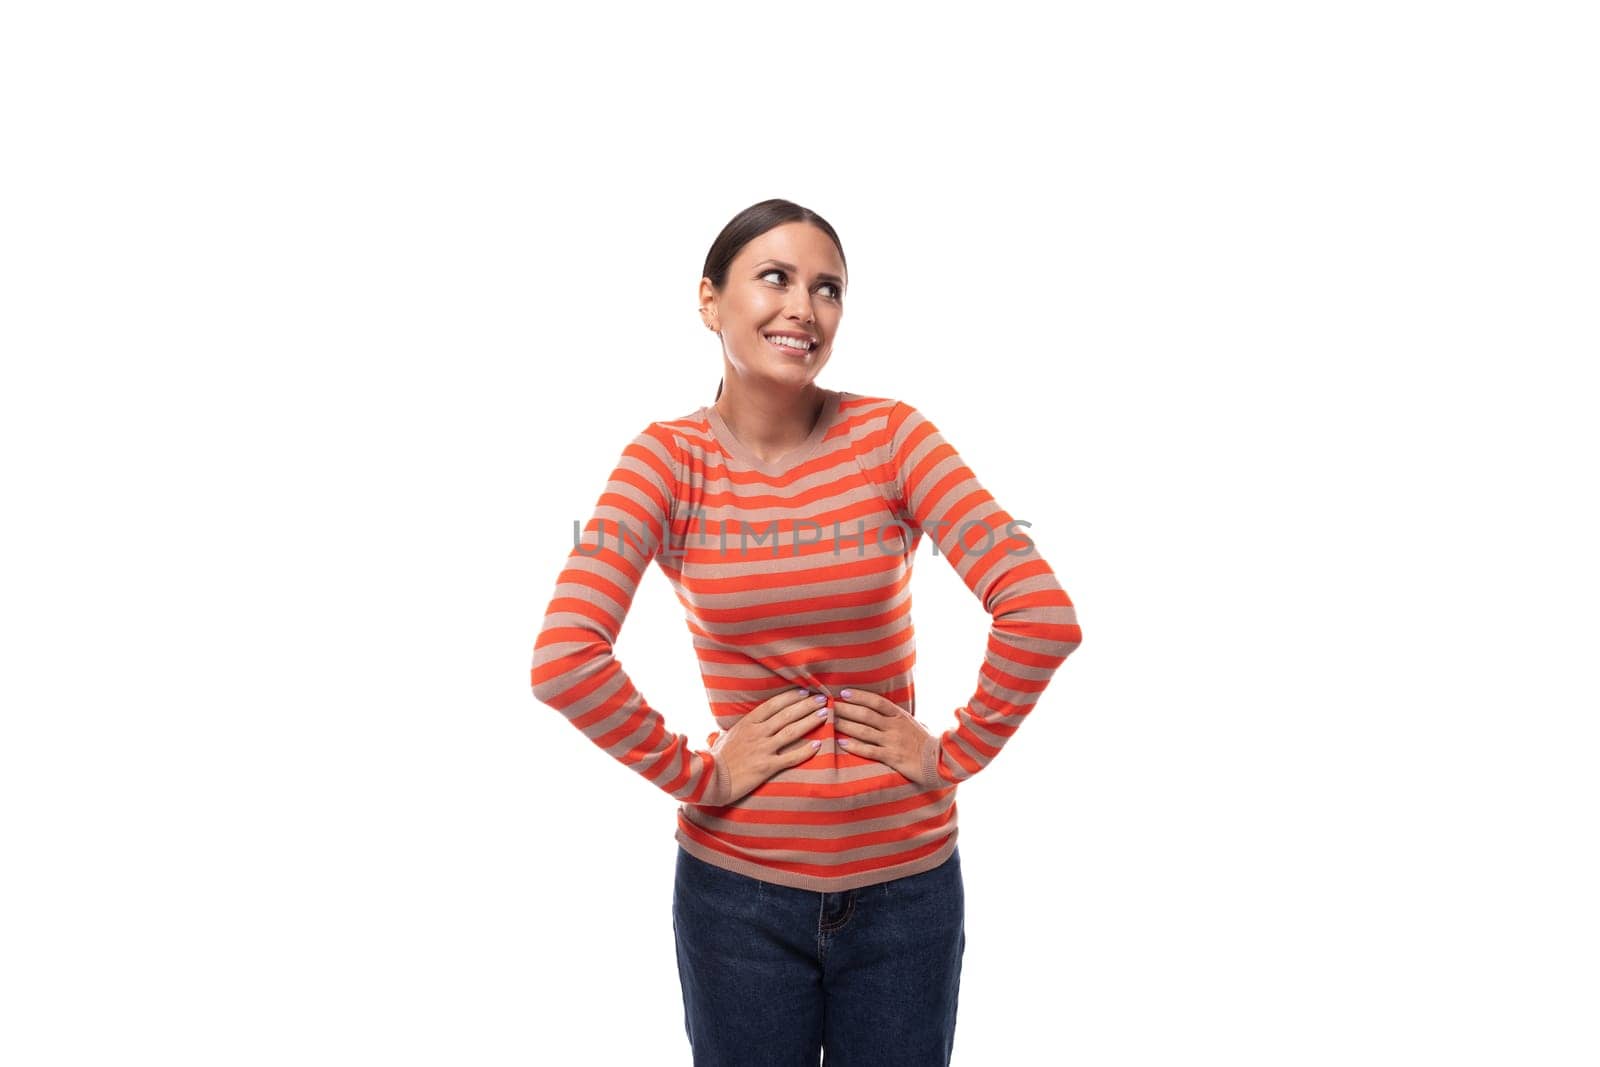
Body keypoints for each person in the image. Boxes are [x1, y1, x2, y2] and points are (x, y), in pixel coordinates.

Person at [530, 198, 1083, 1065]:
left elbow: (1039, 612)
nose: (804, 308)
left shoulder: (894, 437)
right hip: (736, 899)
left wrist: (953, 754)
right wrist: (699, 774)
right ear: (710, 301)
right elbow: (566, 659)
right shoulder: (665, 461)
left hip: (907, 892)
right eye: (775, 278)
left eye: (828, 288)